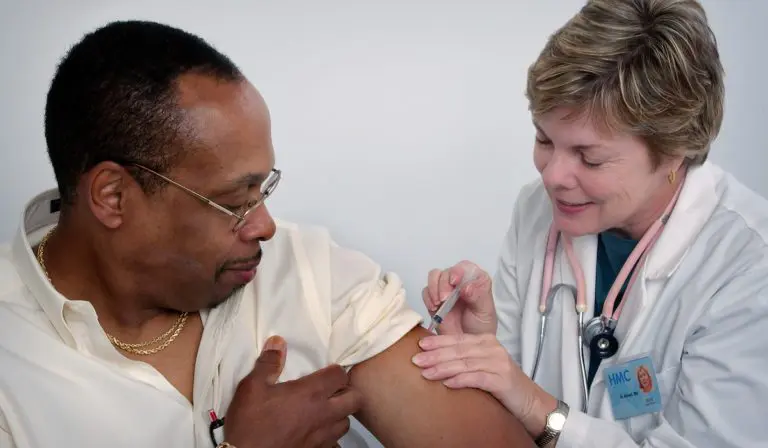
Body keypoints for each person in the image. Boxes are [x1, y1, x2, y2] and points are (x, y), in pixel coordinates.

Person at [0, 20, 534, 448]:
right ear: (113, 196)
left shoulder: (309, 272)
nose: (265, 225)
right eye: (233, 202)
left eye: (264, 189)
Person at [414, 0, 768, 447]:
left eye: (590, 157)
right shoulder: (537, 212)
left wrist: (536, 407)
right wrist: (484, 346)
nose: (552, 175)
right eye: (544, 139)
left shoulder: (748, 267)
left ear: (675, 150)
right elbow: (505, 396)